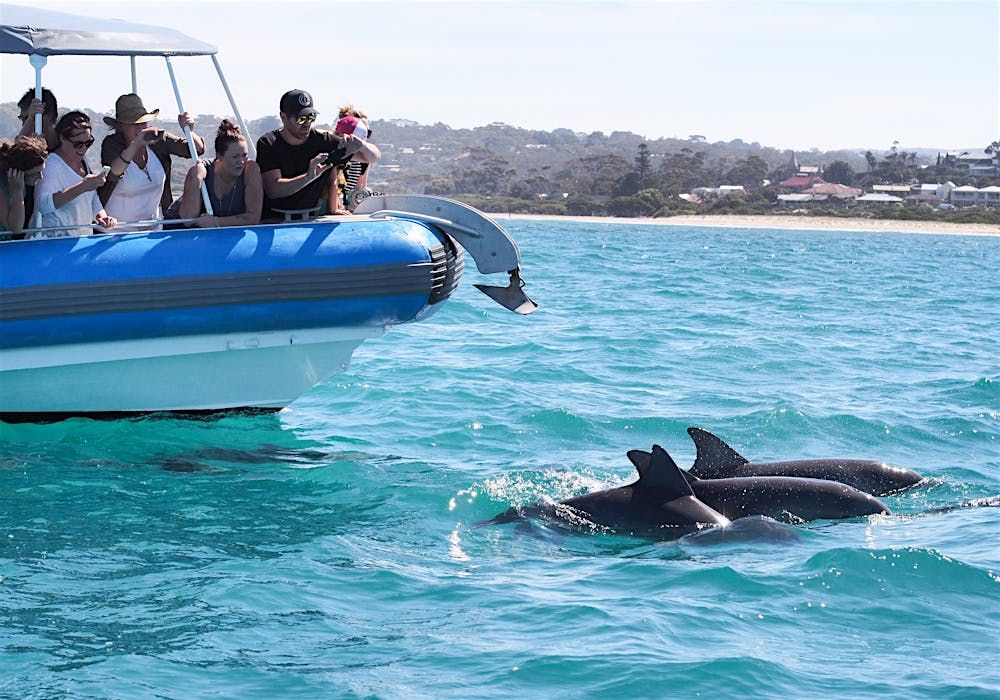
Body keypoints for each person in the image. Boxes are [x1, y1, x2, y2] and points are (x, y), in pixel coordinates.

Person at [256, 89, 380, 220]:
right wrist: (308, 177)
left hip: (309, 220)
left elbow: (372, 157)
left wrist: (360, 144)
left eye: (311, 117)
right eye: (301, 118)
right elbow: (274, 190)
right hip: (273, 221)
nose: (307, 122)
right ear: (284, 117)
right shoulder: (268, 143)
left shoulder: (324, 141)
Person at [99, 93, 205, 230]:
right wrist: (137, 144)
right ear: (121, 126)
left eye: (143, 122)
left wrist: (188, 131)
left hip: (151, 230)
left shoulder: (157, 141)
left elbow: (196, 149)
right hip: (114, 232)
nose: (140, 128)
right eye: (133, 124)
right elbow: (114, 172)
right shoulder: (111, 144)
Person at [32, 112, 116, 238]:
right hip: (52, 244)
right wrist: (82, 186)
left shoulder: (83, 162)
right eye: (78, 144)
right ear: (62, 138)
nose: (83, 149)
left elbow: (92, 198)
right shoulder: (51, 164)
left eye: (88, 143)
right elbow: (43, 205)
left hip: (78, 242)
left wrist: (102, 216)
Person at [169, 119, 262, 227]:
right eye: (235, 157)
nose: (241, 161)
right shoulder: (201, 171)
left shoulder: (250, 169)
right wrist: (196, 177)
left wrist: (216, 222)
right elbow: (188, 220)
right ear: (219, 156)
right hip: (177, 230)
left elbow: (253, 218)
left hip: (214, 232)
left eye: (244, 155)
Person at [16, 88, 59, 228]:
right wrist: (31, 121)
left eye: (28, 118)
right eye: (23, 119)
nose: (24, 124)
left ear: (47, 117)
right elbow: (13, 153)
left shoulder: (70, 148)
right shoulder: (24, 152)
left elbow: (54, 145)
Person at [0, 136, 48, 240]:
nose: (40, 177)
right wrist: (17, 192)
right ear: (18, 172)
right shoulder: (4, 184)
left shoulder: (22, 181)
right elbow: (15, 228)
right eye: (35, 174)